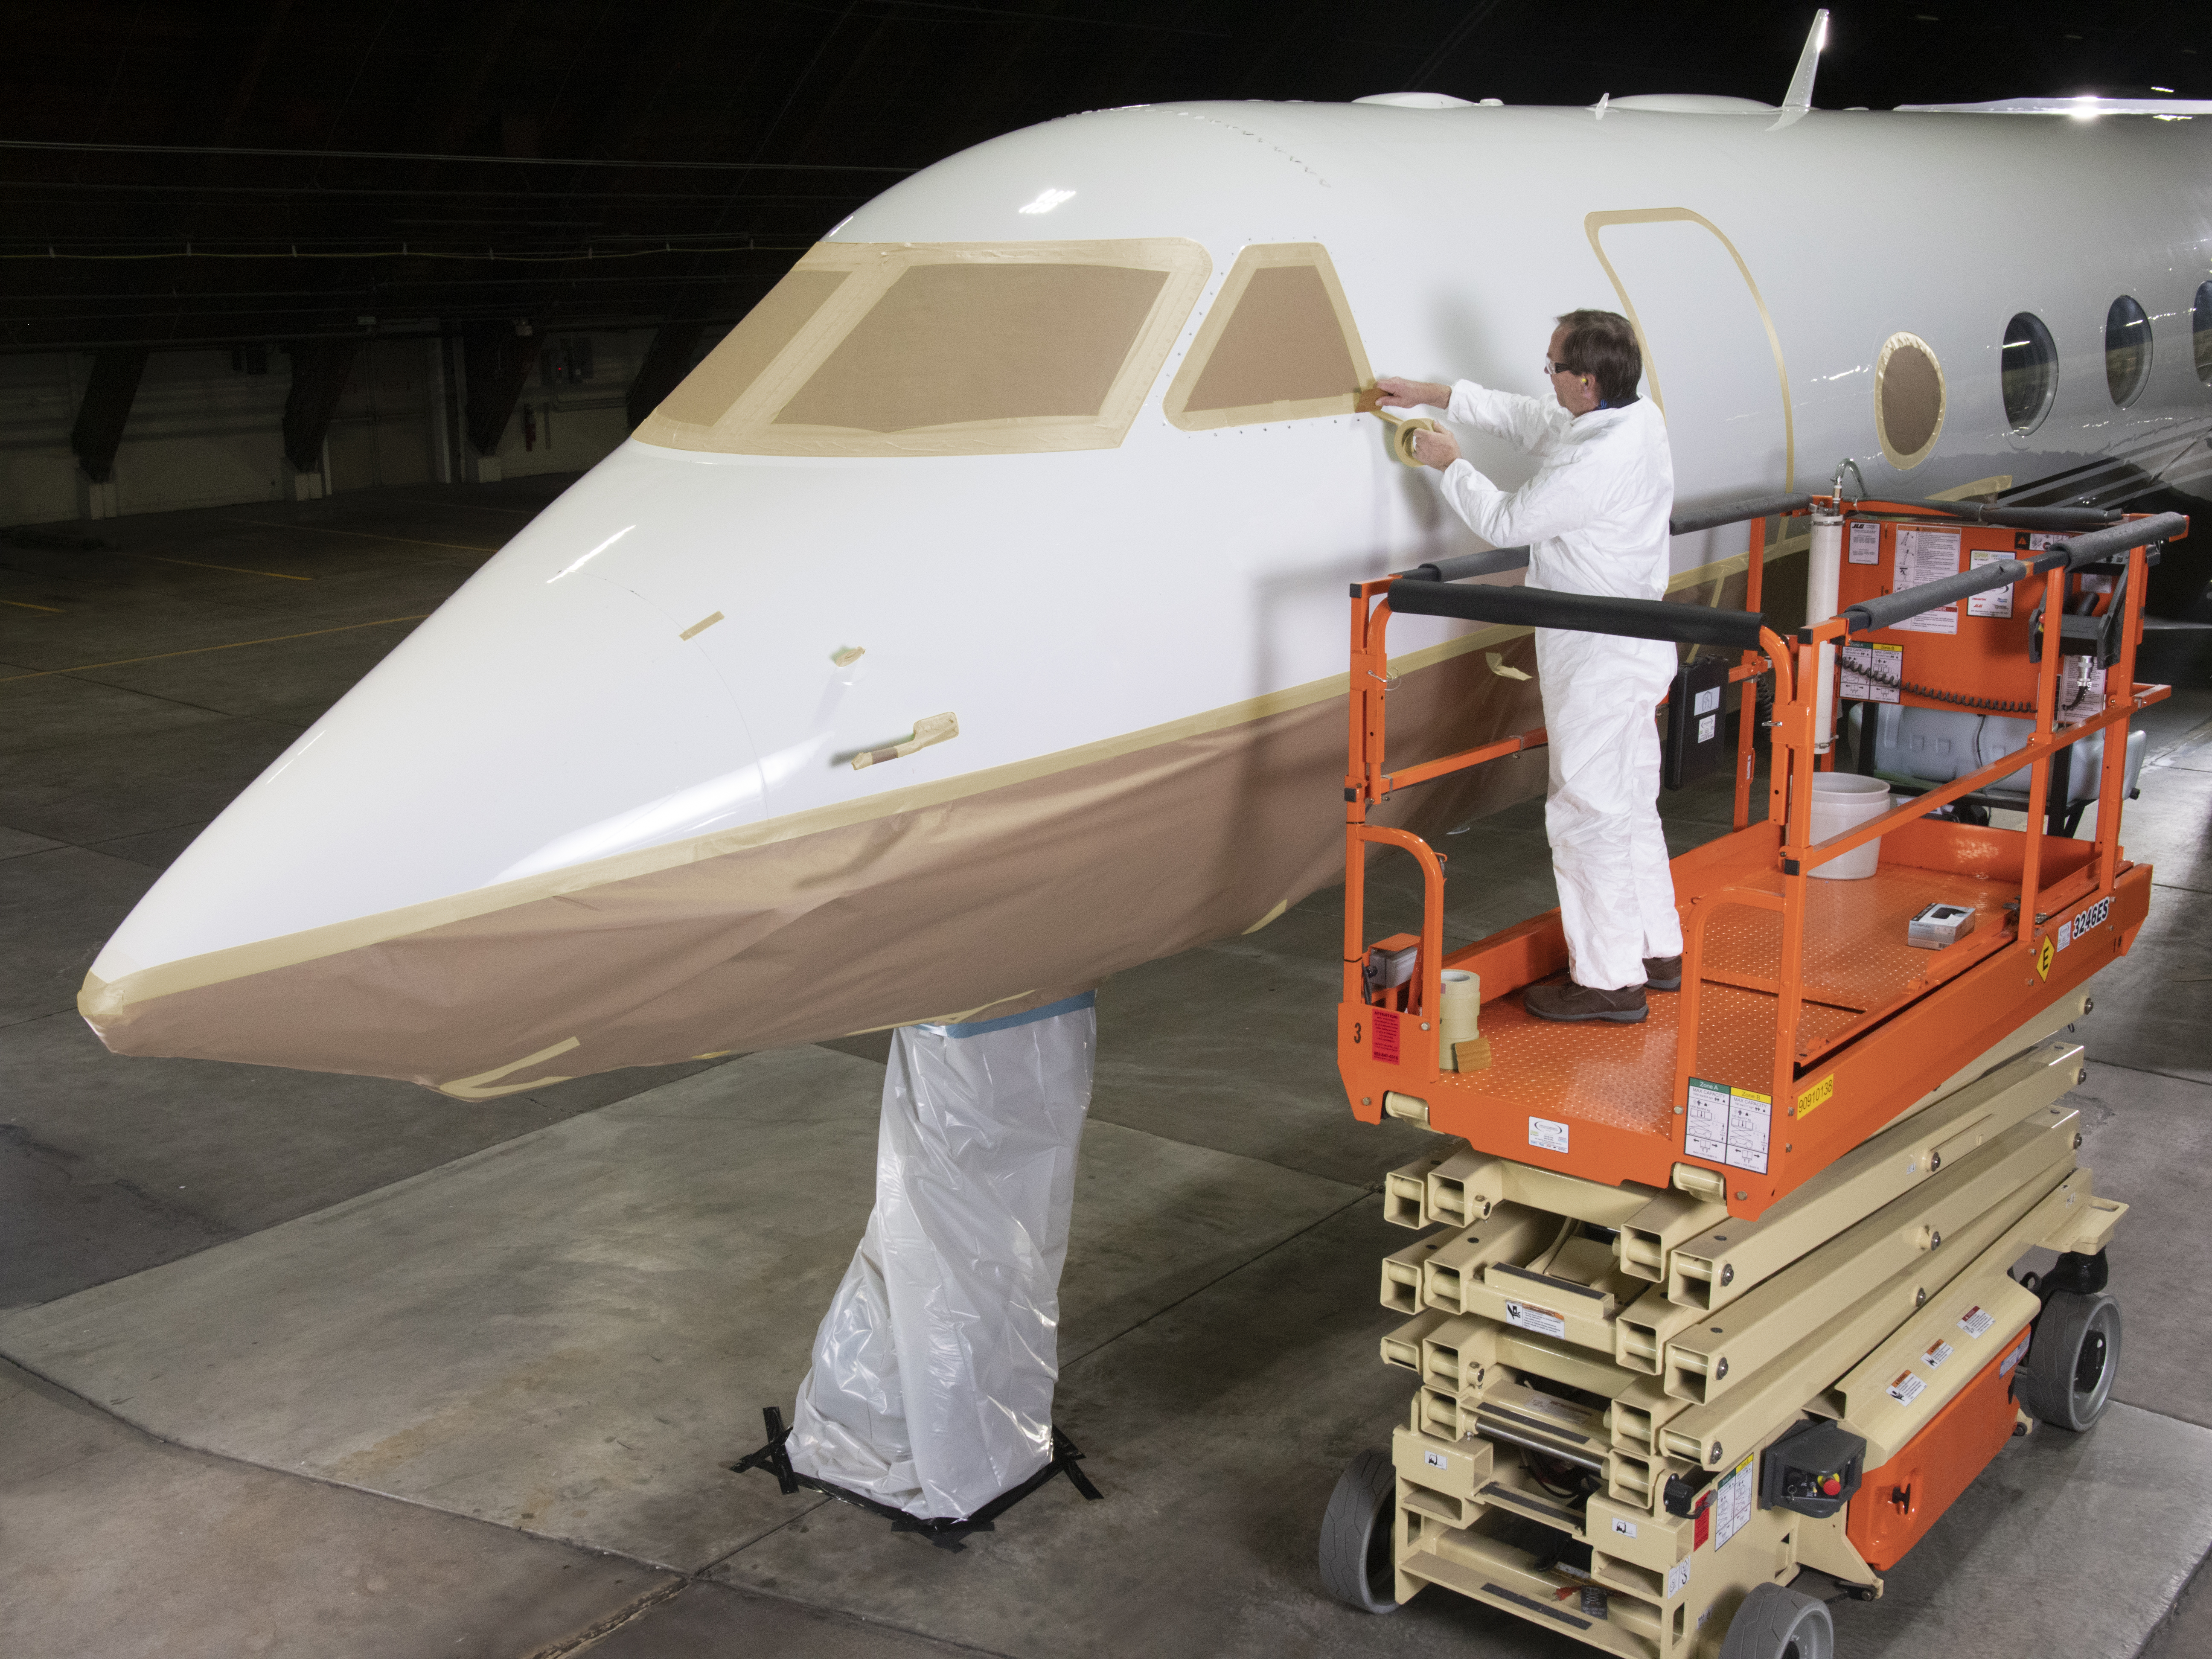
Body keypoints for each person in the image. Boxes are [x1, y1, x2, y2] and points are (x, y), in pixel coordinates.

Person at [1374, 310, 1682, 1024]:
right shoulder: (1630, 420)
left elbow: (1511, 523)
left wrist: (1449, 464)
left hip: (1599, 651)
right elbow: (1533, 422)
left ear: (1587, 381)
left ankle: (1610, 982)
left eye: (1553, 368)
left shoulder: (1598, 457)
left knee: (1586, 809)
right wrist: (1436, 392)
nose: (1545, 378)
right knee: (1630, 799)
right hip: (1638, 640)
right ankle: (1653, 946)